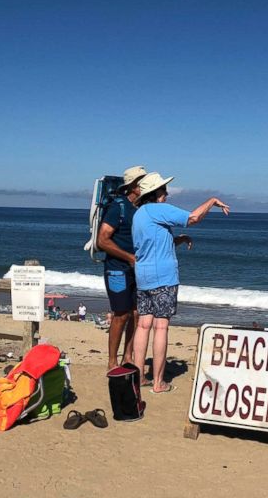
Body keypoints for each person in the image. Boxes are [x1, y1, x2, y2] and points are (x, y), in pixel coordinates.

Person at [131, 172, 230, 393]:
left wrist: (177, 239)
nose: (166, 193)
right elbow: (193, 218)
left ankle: (138, 378)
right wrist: (212, 201)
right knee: (161, 326)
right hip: (163, 278)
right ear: (155, 193)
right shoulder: (159, 210)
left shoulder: (139, 214)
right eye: (163, 190)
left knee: (143, 325)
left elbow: (151, 245)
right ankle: (158, 382)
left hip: (143, 276)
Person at [96, 165, 147, 370]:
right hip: (117, 269)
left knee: (136, 314)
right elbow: (103, 240)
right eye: (142, 182)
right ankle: (112, 362)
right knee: (121, 314)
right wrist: (129, 257)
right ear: (133, 186)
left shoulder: (141, 208)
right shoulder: (118, 207)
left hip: (136, 269)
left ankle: (128, 357)